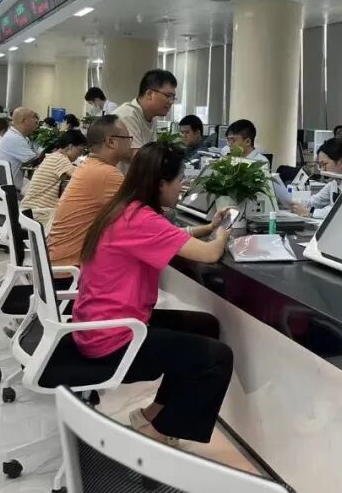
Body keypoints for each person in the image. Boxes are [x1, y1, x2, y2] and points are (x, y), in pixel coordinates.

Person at [72, 143, 233, 445]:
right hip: (114, 339)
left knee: (204, 326)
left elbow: (169, 236)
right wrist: (222, 234)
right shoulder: (140, 219)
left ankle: (152, 414)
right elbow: (210, 254)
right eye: (180, 179)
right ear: (161, 183)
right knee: (217, 358)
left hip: (98, 324)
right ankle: (158, 435)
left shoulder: (125, 209)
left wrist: (208, 227)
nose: (182, 186)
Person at [47, 115, 132, 267]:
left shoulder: (89, 165)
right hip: (71, 270)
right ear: (111, 142)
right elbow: (140, 216)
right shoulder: (107, 174)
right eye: (128, 138)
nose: (131, 143)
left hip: (58, 262)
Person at [21, 130, 87, 226]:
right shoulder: (60, 159)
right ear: (70, 147)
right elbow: (81, 175)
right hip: (39, 214)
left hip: (30, 211)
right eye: (80, 151)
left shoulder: (53, 157)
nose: (79, 155)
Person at [115, 69, 178, 154]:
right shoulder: (127, 115)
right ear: (149, 94)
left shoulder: (152, 117)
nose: (171, 102)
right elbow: (138, 158)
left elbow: (151, 156)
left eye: (173, 97)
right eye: (168, 96)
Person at [292, 138, 342, 220]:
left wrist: (310, 212)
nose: (322, 170)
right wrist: (293, 203)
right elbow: (316, 200)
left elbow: (340, 211)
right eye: (320, 165)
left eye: (325, 164)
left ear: (341, 163)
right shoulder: (334, 182)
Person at [0, 107, 44, 189]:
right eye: (33, 117)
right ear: (24, 120)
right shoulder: (14, 138)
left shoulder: (15, 135)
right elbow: (35, 160)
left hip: (6, 184)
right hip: (8, 189)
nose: (36, 121)